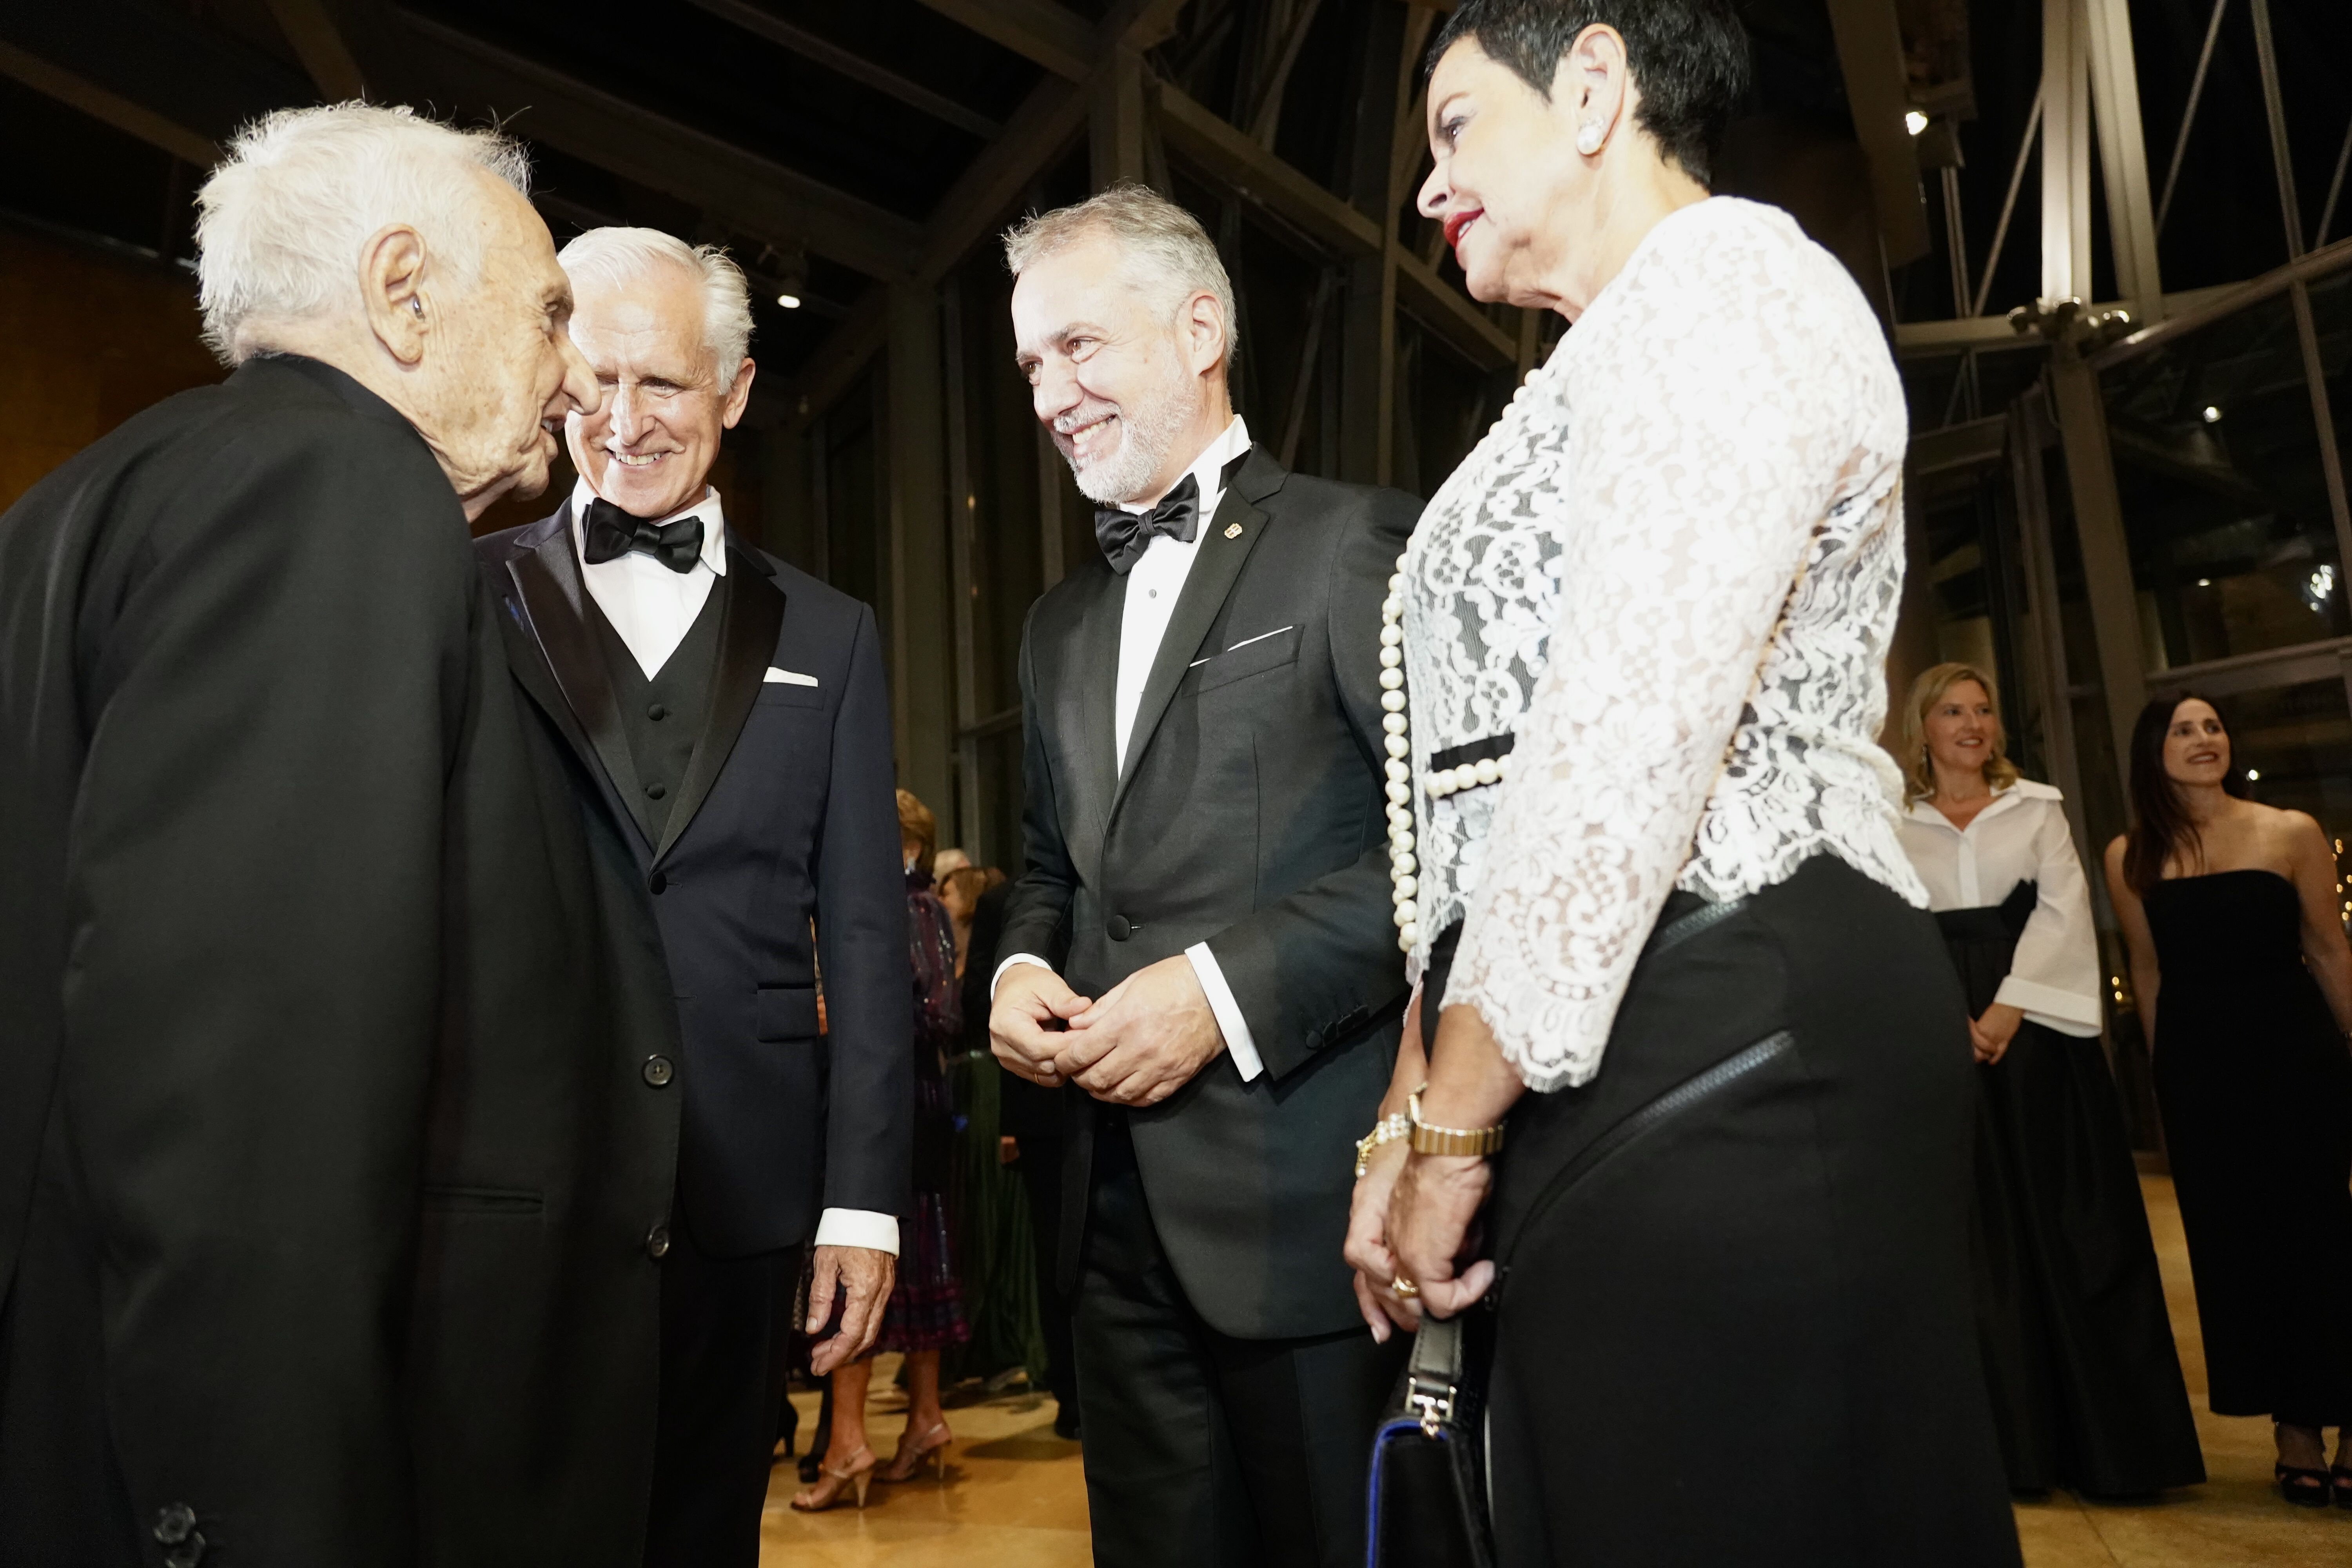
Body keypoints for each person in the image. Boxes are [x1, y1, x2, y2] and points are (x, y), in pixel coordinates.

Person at [1349, 4, 2022, 1563]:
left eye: (1455, 130)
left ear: (1591, 85)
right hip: (1610, 1047)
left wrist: (1449, 1133)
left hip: (1735, 1032)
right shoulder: (1614, 351)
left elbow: (1627, 737)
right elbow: (1483, 808)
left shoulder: (1731, 285)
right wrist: (1411, 1106)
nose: (1426, 185)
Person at [0, 103, 686, 1563]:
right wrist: (257, 1520)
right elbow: (246, 1075)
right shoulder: (336, 483)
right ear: (402, 289)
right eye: (552, 308)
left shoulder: (83, 502)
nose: (575, 375)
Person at [988, 183, 1418, 1568]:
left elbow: (1449, 863)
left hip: (1307, 1222)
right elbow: (1056, 870)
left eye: (1077, 348)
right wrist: (1016, 964)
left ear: (1199, 327)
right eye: (1031, 366)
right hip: (1105, 1231)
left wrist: (1220, 994)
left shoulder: (1357, 544)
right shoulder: (1057, 628)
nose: (1050, 395)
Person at [475, 226, 909, 1566]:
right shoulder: (468, 594)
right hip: (524, 1178)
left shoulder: (830, 633)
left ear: (732, 391)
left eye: (661, 385)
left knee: (709, 1527)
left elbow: (864, 932)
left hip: (745, 1190)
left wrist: (861, 1203)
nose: (620, 421)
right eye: (592, 380)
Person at [1896, 664, 2202, 1498]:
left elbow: (2064, 910)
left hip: (2034, 1039)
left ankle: (2106, 1447)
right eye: (1953, 710)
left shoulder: (2040, 805)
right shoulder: (1888, 820)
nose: (1973, 723)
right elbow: (1888, 923)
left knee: (2067, 1227)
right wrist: (1939, 1014)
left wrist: (2003, 1011)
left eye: (1984, 708)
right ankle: (2004, 1451)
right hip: (1935, 1035)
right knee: (1973, 1239)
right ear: (1922, 727)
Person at [2103, 693, 2352, 1508]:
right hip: (2201, 1070)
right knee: (2238, 1247)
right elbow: (2149, 970)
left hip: (2297, 1054)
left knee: (2322, 1232)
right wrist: (2162, 1079)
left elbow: (2328, 948)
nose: (2204, 739)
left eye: (2212, 726)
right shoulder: (2129, 854)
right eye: (2183, 729)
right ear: (2153, 750)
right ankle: (2294, 1427)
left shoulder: (2290, 831)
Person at [794, 791, 970, 1508]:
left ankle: (847, 1444)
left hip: (894, 1108)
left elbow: (938, 1013)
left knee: (862, 1266)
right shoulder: (923, 905)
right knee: (914, 1265)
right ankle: (921, 1422)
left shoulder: (905, 904)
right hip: (913, 1105)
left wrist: (845, 1015)